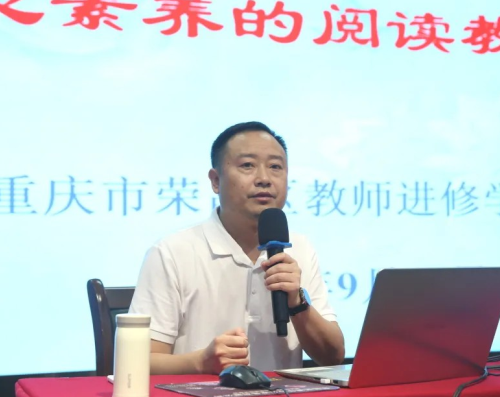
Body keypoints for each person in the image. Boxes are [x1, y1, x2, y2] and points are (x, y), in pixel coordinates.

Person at [129, 121, 345, 374]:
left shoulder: (300, 248)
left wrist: (297, 303)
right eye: (247, 165)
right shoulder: (172, 252)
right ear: (215, 180)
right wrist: (200, 363)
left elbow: (333, 356)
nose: (264, 179)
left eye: (275, 167)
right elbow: (137, 363)